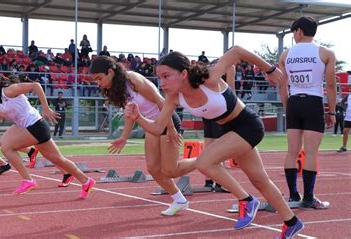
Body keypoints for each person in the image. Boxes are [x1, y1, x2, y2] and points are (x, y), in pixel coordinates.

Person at [124, 48, 303, 238]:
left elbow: (236, 52)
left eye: (166, 76)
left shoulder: (208, 78)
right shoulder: (173, 97)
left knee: (204, 162)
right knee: (260, 180)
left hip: (248, 125)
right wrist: (138, 117)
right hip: (229, 131)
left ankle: (247, 200)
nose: (162, 83)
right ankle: (291, 222)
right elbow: (159, 128)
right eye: (159, 77)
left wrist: (269, 69)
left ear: (184, 73)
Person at [0, 67, 95, 196]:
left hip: (36, 125)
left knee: (7, 146)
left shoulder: (9, 90)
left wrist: (46, 108)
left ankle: (28, 180)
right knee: (58, 159)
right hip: (30, 128)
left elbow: (36, 86)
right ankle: (86, 181)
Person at [90, 56, 188, 216]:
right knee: (153, 169)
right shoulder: (117, 89)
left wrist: (170, 127)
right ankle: (180, 200)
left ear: (110, 71)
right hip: (150, 126)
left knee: (170, 170)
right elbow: (131, 114)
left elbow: (161, 100)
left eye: (99, 78)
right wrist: (124, 137)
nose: (98, 83)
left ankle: (203, 161)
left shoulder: (133, 79)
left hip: (166, 120)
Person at [277, 16, 336, 209]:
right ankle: (309, 198)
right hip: (313, 102)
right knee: (311, 153)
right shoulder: (326, 53)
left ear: (298, 31)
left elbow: (282, 84)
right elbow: (331, 85)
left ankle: (294, 196)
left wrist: (287, 105)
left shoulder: (286, 55)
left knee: (291, 151)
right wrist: (332, 111)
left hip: (294, 101)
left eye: (294, 32)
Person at [198, 59, 235, 192]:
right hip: (219, 109)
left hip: (207, 109)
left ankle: (208, 182)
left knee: (209, 145)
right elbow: (231, 92)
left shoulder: (211, 67)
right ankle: (220, 183)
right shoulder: (227, 67)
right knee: (219, 148)